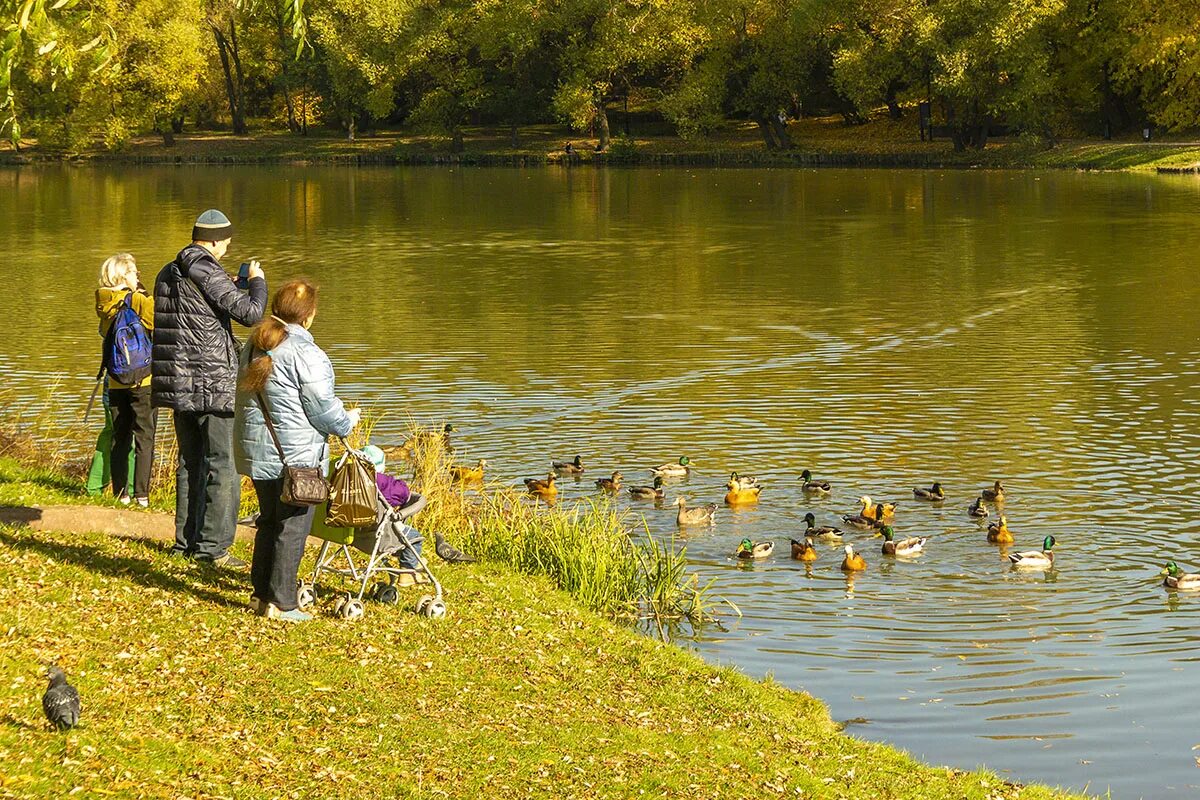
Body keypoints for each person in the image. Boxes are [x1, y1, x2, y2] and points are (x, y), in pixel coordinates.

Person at [234, 279, 359, 622]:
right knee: (291, 528)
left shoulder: (254, 344)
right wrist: (348, 421)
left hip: (259, 452)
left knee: (269, 521)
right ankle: (283, 603)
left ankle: (260, 595)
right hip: (295, 457)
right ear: (308, 317)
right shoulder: (306, 353)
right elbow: (322, 408)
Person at [153, 209, 267, 567]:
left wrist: (232, 282)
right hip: (211, 383)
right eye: (227, 240)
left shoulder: (168, 271)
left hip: (179, 383)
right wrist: (257, 281)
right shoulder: (205, 267)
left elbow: (199, 308)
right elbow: (250, 314)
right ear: (214, 240)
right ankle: (213, 549)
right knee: (223, 465)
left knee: (190, 462)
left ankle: (185, 543)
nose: (229, 246)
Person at [95, 253, 156, 506]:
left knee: (121, 437)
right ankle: (142, 494)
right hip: (143, 380)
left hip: (116, 379)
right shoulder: (138, 300)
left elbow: (103, 332)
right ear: (124, 275)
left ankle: (121, 494)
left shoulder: (103, 301)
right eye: (134, 273)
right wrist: (141, 292)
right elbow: (157, 322)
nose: (137, 277)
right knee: (145, 436)